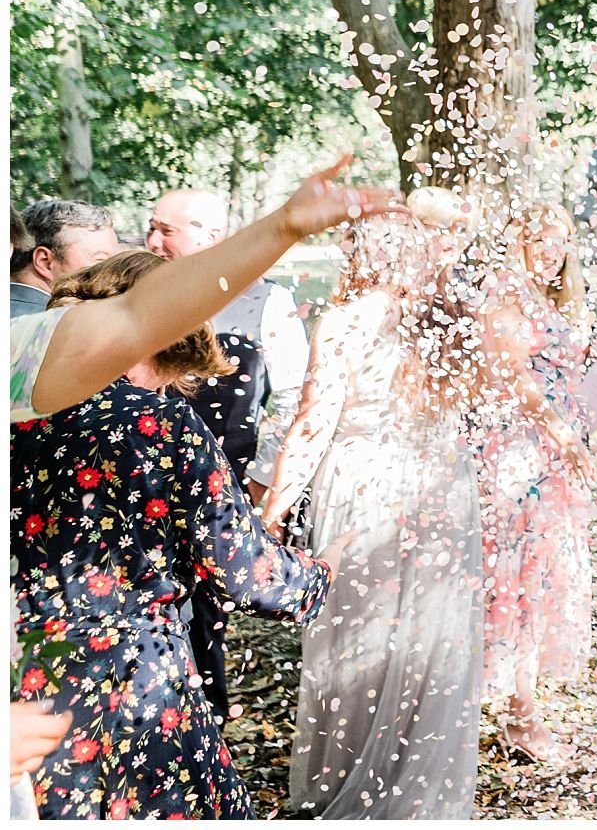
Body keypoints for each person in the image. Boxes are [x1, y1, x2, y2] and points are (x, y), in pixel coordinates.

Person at [6, 156, 394, 806]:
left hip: (21, 676)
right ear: (161, 343)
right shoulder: (157, 420)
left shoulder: (18, 391)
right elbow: (244, 569)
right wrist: (323, 571)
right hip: (131, 686)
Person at [260, 213, 485, 817]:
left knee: (359, 635)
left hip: (365, 488)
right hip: (441, 485)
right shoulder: (451, 319)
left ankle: (352, 780)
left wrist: (271, 510)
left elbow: (312, 424)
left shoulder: (342, 320)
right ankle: (421, 783)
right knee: (428, 635)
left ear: (358, 251)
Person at [144, 187, 312, 720]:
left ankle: (205, 729)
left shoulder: (269, 301)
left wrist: (262, 482)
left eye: (166, 230)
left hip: (222, 485)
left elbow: (291, 396)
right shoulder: (135, 293)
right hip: (140, 485)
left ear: (210, 236)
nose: (152, 240)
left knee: (207, 619)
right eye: (151, 227)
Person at [472, 202, 597, 762]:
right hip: (518, 454)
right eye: (541, 241)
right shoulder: (505, 295)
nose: (553, 253)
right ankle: (518, 712)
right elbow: (514, 375)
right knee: (518, 575)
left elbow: (578, 370)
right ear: (516, 242)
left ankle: (521, 702)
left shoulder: (558, 298)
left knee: (544, 574)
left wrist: (595, 413)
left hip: (559, 454)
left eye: (561, 242)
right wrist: (562, 435)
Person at [10, 199, 119, 318]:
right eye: (101, 261)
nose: (116, 275)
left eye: (116, 263)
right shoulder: (60, 326)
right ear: (45, 262)